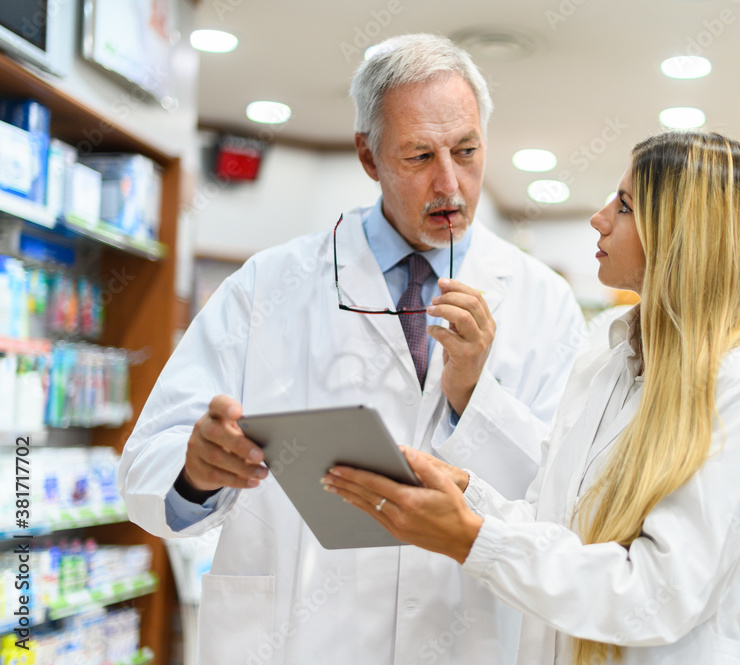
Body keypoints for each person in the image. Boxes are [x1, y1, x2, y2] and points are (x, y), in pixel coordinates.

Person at [118, 34, 584, 665]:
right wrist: (197, 472)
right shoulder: (267, 286)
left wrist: (476, 396)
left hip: (466, 639)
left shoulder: (544, 302)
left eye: (467, 151)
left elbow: (570, 500)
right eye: (419, 155)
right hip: (302, 639)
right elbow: (150, 460)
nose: (450, 182)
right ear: (369, 156)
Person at [326, 131, 740, 665]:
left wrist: (471, 539)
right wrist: (468, 493)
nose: (599, 219)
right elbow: (555, 524)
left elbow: (657, 596)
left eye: (624, 206)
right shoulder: (609, 358)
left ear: (680, 236)